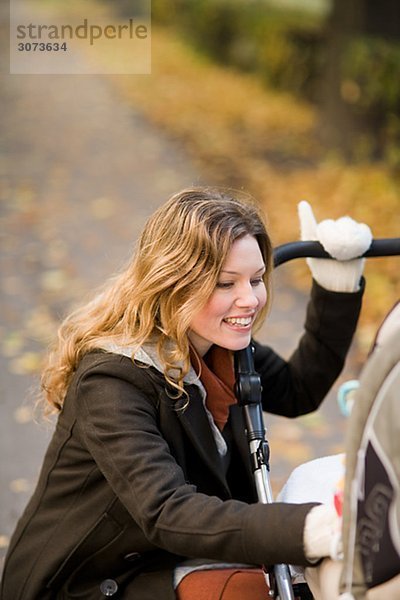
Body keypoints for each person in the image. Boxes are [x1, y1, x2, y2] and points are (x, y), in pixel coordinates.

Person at [0, 188, 372, 600]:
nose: (249, 299)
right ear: (174, 283)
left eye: (257, 279)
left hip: (171, 554)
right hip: (91, 582)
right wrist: (313, 528)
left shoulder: (220, 347)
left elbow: (298, 390)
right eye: (226, 283)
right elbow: (167, 510)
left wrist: (336, 288)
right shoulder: (110, 383)